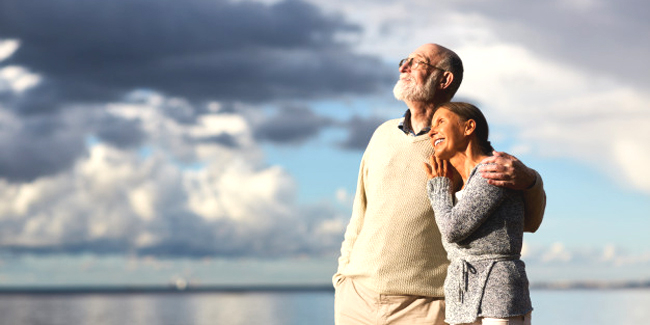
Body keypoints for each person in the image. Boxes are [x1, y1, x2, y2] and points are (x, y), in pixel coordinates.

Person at [333, 43, 545, 325]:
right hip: (356, 300)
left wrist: (531, 180)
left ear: (444, 80)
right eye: (403, 61)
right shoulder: (382, 135)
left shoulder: (457, 145)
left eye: (416, 62)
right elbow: (359, 212)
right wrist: (343, 277)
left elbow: (527, 221)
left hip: (425, 307)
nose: (403, 68)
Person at [424, 102, 532, 325]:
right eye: (431, 125)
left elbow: (453, 230)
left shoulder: (492, 170)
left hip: (497, 294)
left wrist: (439, 188)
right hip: (462, 298)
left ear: (468, 127)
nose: (431, 130)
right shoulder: (465, 183)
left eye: (440, 122)